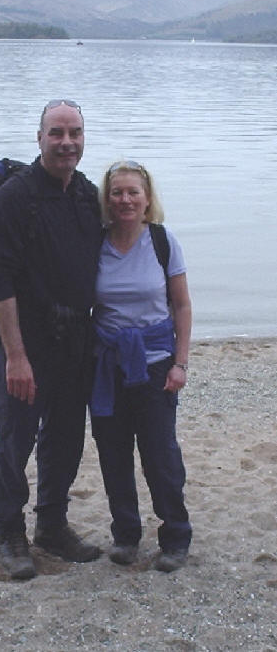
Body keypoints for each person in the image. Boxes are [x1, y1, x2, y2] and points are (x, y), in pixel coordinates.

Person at [0, 99, 103, 579]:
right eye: (57, 132)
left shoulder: (85, 195)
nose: (67, 142)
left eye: (74, 132)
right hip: (24, 343)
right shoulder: (16, 197)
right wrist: (15, 356)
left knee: (66, 437)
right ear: (39, 138)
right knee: (15, 439)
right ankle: (10, 532)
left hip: (75, 341)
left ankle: (51, 525)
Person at [90, 160, 192, 572]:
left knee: (160, 454)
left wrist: (180, 363)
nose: (125, 200)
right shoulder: (94, 243)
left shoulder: (163, 242)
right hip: (107, 365)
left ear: (148, 199)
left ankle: (175, 536)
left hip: (154, 363)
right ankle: (126, 535)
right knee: (113, 454)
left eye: (133, 192)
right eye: (117, 192)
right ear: (107, 199)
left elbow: (182, 305)